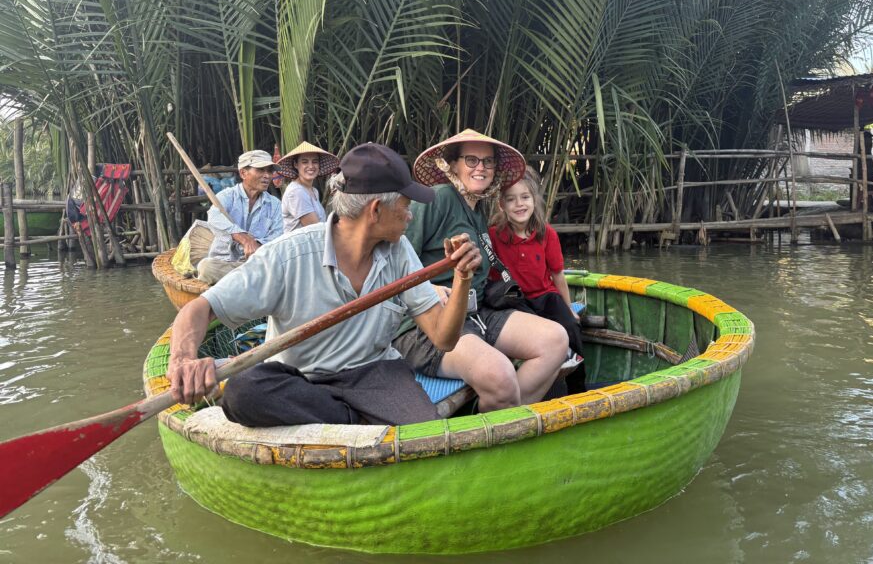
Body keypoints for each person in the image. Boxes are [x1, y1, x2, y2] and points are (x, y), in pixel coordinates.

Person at [167, 143, 482, 427]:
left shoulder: (398, 251)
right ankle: (349, 418)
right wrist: (183, 360)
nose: (410, 216)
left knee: (425, 435)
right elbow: (200, 308)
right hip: (303, 382)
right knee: (242, 393)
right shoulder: (289, 254)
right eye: (405, 205)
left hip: (375, 374)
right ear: (376, 210)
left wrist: (462, 276)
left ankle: (345, 420)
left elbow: (443, 338)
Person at [393, 129, 569, 412]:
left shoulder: (477, 209)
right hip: (427, 322)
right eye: (471, 160)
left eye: (487, 162)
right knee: (500, 375)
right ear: (453, 165)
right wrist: (431, 288)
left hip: (475, 312)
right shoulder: (437, 199)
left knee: (556, 340)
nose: (481, 168)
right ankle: (503, 415)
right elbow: (392, 257)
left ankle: (504, 416)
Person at [489, 167, 586, 394]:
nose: (519, 204)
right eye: (511, 200)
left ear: (534, 200)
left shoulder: (547, 233)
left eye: (525, 197)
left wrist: (569, 307)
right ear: (501, 206)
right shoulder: (494, 235)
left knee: (571, 326)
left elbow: (557, 275)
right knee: (535, 335)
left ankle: (578, 388)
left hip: (545, 295)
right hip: (514, 300)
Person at [196, 149, 284, 284]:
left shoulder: (275, 204)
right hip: (225, 263)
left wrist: (257, 245)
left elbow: (277, 235)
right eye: (261, 170)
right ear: (243, 173)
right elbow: (214, 217)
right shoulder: (227, 196)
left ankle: (244, 279)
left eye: (269, 171)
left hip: (257, 264)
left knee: (279, 269)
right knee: (206, 267)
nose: (267, 176)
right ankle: (247, 280)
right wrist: (243, 238)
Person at [278, 141, 340, 232]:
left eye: (315, 162)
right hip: (300, 245)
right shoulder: (296, 191)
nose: (311, 166)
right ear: (296, 164)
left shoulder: (314, 191)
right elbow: (315, 229)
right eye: (305, 162)